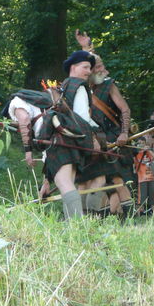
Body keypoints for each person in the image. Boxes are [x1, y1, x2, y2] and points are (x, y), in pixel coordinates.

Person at [74, 32, 133, 216]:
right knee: (99, 179)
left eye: (102, 67)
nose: (102, 70)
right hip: (95, 139)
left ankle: (129, 217)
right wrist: (85, 47)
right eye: (97, 68)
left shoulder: (108, 85)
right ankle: (104, 216)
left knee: (116, 178)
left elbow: (125, 110)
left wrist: (124, 133)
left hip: (114, 137)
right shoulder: (82, 88)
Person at [37, 50, 98, 219]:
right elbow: (83, 118)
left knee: (65, 185)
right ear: (73, 67)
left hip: (63, 141)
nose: (89, 71)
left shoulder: (68, 86)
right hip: (69, 142)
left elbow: (81, 119)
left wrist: (96, 136)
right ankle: (73, 226)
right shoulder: (75, 86)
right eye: (85, 67)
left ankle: (76, 227)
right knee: (68, 185)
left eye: (90, 68)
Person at [133, 138, 154, 213]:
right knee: (142, 197)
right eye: (139, 143)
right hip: (141, 178)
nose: (141, 145)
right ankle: (140, 213)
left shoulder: (148, 153)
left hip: (150, 177)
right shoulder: (136, 154)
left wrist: (149, 150)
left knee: (152, 196)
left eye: (143, 143)